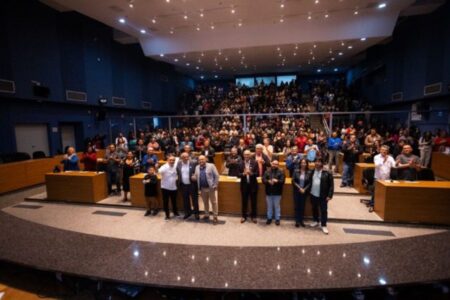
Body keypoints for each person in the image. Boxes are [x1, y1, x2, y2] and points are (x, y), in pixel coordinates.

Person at [309, 158, 334, 234]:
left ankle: (324, 225)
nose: (317, 163)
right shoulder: (312, 171)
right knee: (314, 208)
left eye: (319, 162)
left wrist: (329, 195)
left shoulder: (327, 172)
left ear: (322, 163)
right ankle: (316, 221)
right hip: (313, 193)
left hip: (323, 195)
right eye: (316, 161)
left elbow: (331, 186)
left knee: (323, 210)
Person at [193, 155, 220, 225]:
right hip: (202, 188)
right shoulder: (197, 167)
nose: (201, 161)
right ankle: (207, 214)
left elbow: (216, 175)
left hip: (210, 188)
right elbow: (196, 176)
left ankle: (215, 216)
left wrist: (215, 185)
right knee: (205, 202)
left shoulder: (211, 166)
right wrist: (193, 177)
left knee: (213, 202)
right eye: (199, 160)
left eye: (202, 159)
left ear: (206, 159)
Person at [370, 145, 395, 210]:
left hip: (386, 178)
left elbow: (394, 165)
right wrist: (384, 160)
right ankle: (372, 205)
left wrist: (397, 164)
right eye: (383, 150)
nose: (384, 151)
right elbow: (377, 165)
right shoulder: (376, 157)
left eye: (386, 150)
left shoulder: (390, 158)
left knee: (385, 193)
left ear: (388, 151)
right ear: (380, 150)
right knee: (375, 192)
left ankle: (383, 207)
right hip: (378, 178)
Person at [176, 152, 199, 220]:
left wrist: (195, 175)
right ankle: (187, 213)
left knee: (194, 200)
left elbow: (198, 170)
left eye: (187, 157)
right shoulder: (179, 163)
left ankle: (196, 213)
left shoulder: (194, 163)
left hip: (192, 185)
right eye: (184, 157)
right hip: (183, 185)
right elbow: (178, 172)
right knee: (185, 200)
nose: (186, 158)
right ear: (181, 158)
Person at [238, 150, 259, 223]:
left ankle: (254, 216)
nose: (246, 156)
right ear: (243, 155)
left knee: (254, 202)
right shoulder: (240, 163)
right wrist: (243, 174)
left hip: (253, 185)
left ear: (250, 155)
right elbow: (237, 174)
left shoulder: (255, 162)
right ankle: (244, 216)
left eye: (248, 154)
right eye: (245, 154)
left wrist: (251, 173)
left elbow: (257, 174)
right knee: (244, 202)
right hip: (244, 186)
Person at [262, 160, 285, 226]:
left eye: (276, 164)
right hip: (268, 192)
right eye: (273, 164)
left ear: (278, 165)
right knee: (269, 206)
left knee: (277, 206)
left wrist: (277, 181)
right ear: (271, 164)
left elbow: (282, 181)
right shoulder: (267, 171)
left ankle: (277, 219)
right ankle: (269, 218)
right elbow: (263, 180)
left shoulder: (281, 172)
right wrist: (268, 181)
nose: (274, 165)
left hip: (277, 192)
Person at [158, 155, 179, 220]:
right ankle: (167, 215)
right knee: (166, 202)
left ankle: (175, 212)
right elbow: (159, 171)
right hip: (165, 187)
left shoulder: (175, 165)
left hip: (174, 187)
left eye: (173, 160)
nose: (172, 161)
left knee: (174, 201)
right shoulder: (164, 167)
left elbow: (178, 158)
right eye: (170, 160)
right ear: (167, 160)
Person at [292, 158, 311, 227]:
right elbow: (293, 181)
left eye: (304, 163)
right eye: (302, 163)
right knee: (297, 206)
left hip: (304, 192)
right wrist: (299, 188)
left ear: (306, 164)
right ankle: (297, 221)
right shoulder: (296, 171)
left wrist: (304, 189)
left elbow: (310, 183)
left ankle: (301, 220)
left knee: (302, 206)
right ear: (300, 164)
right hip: (297, 191)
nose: (303, 164)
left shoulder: (309, 172)